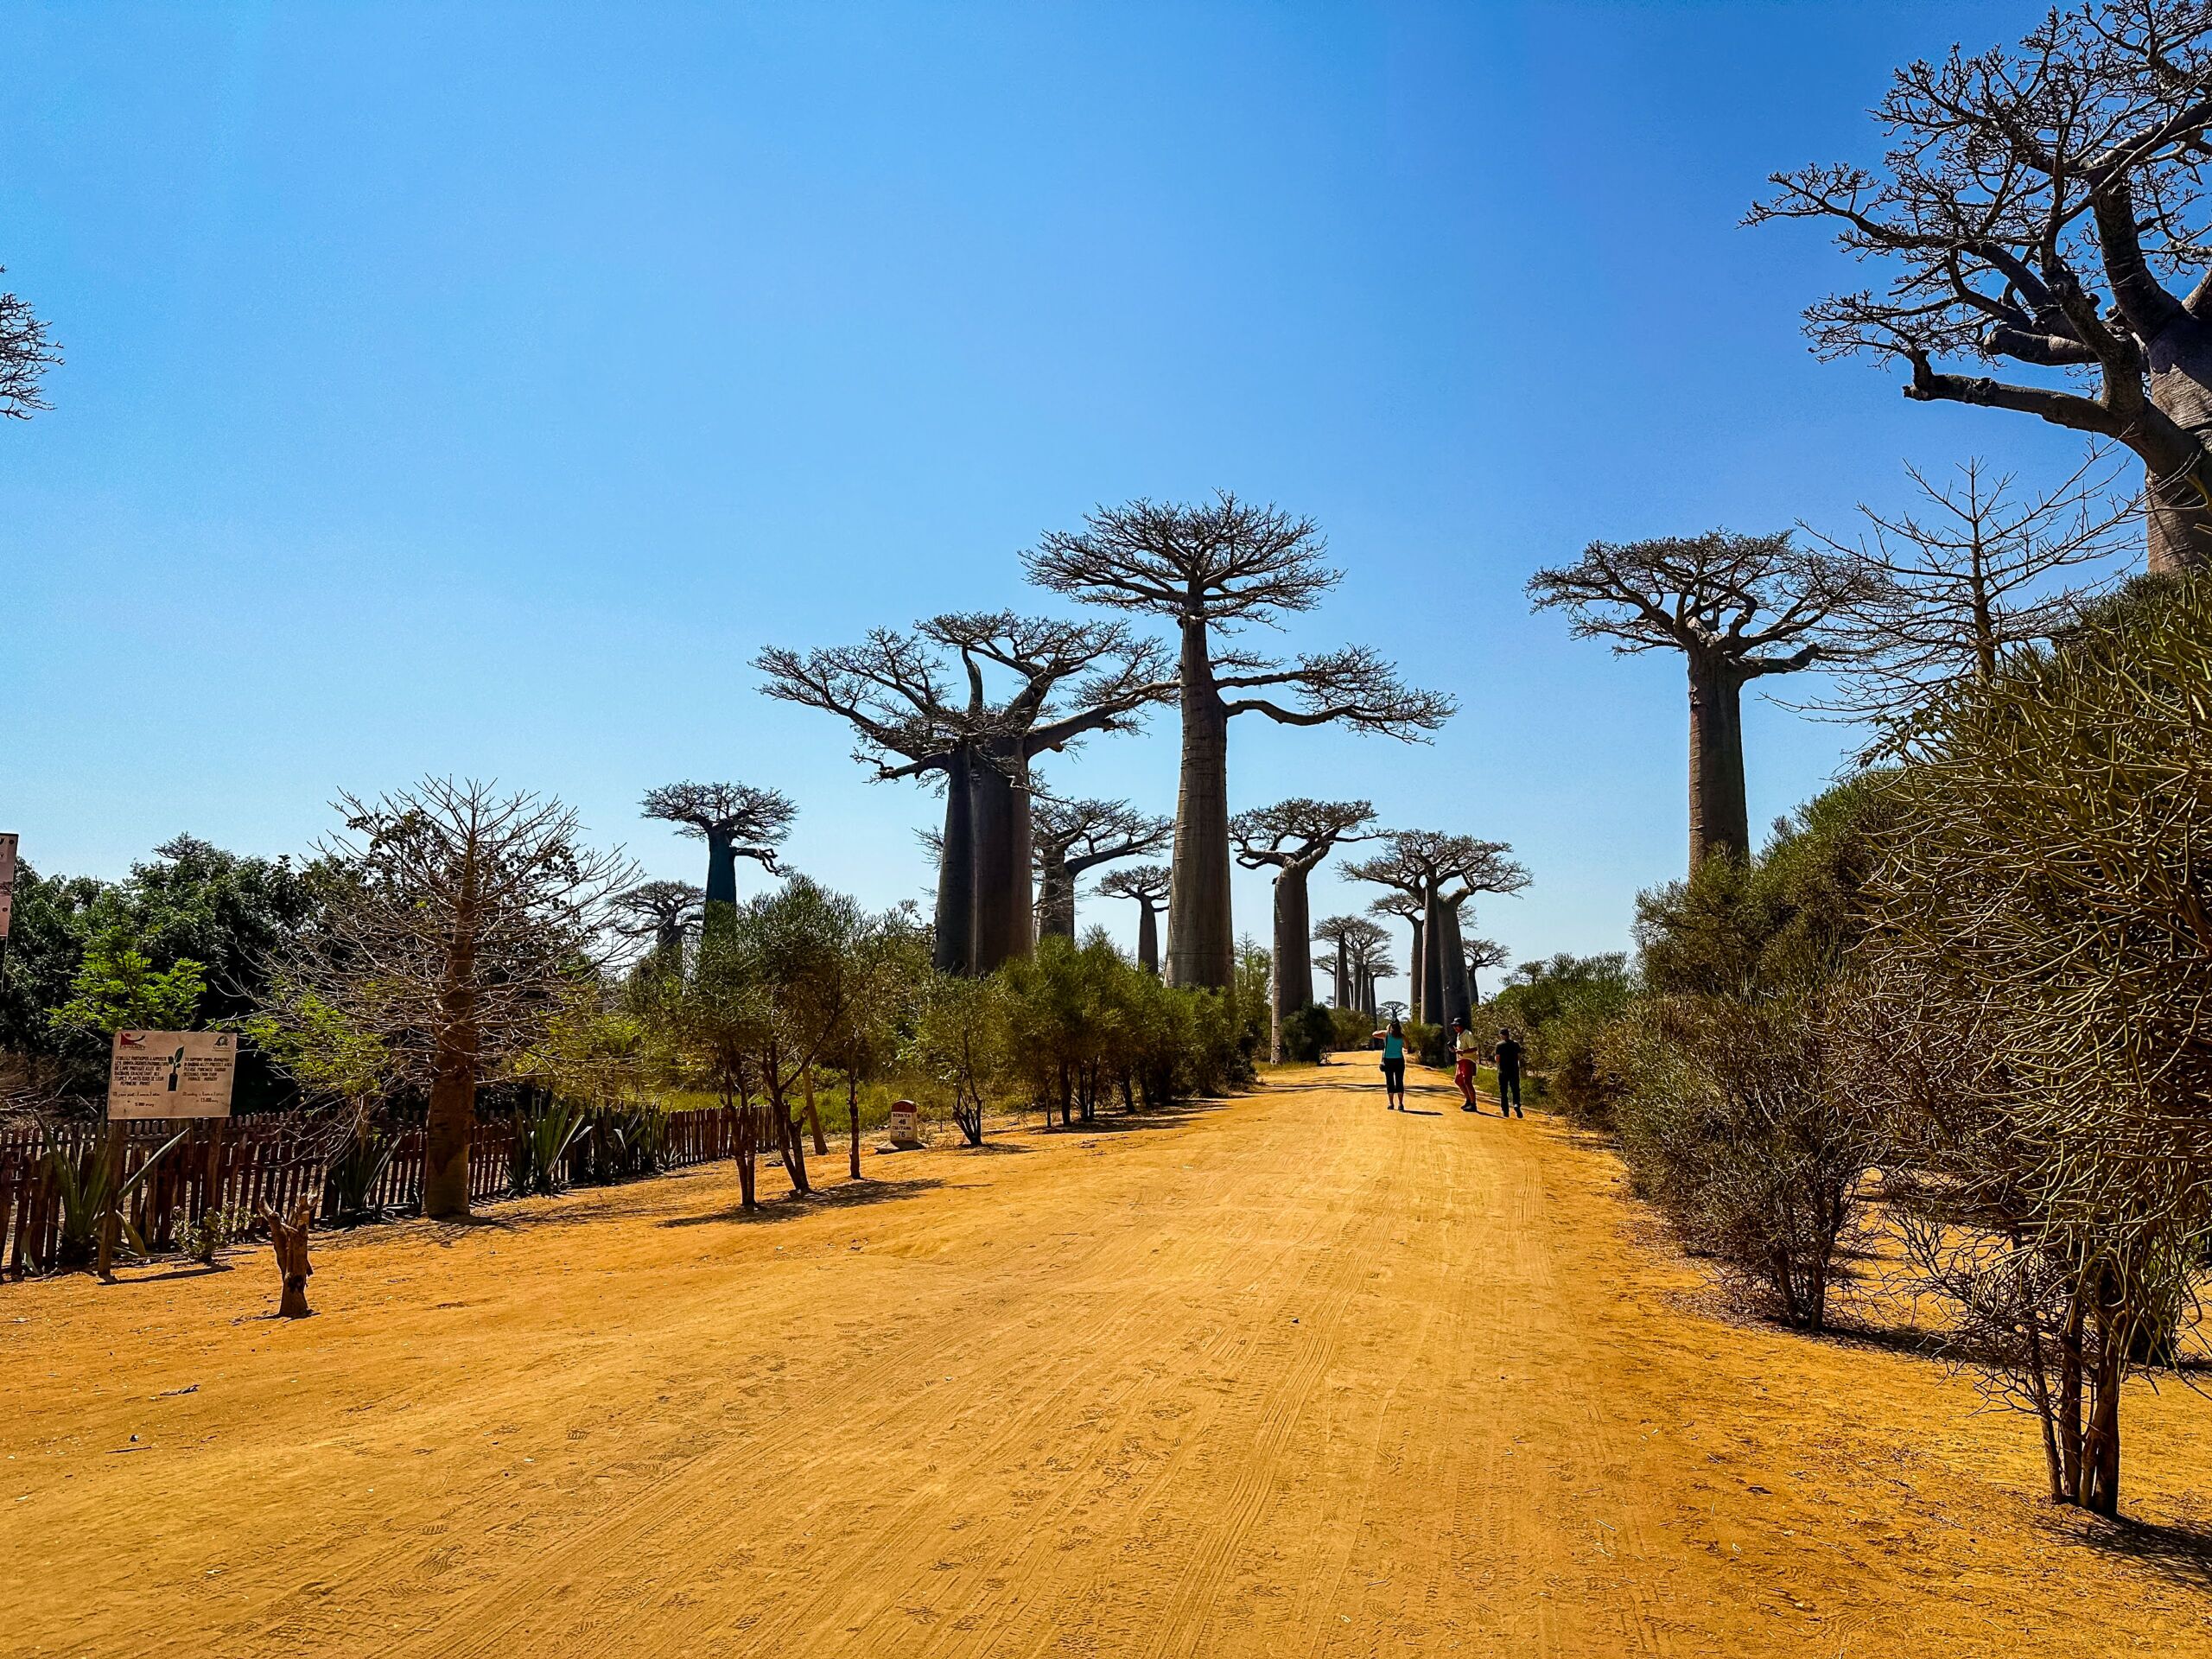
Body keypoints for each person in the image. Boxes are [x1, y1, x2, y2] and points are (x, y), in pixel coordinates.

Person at [1372, 1017, 1409, 1109]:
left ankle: (1391, 1104)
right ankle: (1400, 1104)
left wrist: (1387, 1029)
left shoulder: (1386, 1034)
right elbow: (1406, 1047)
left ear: (1391, 1026)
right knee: (1399, 1082)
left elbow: (1374, 1034)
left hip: (1388, 1061)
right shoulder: (1402, 1036)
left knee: (1390, 1082)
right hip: (1399, 1060)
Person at [1452, 1018, 1482, 1112]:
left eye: (1456, 1026)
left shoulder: (1468, 1034)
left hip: (1468, 1060)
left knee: (1467, 1081)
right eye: (1454, 1026)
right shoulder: (1458, 1035)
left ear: (1461, 1025)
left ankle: (1473, 1104)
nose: (1455, 1028)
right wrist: (1456, 1050)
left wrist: (1463, 1051)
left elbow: (1474, 1048)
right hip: (1460, 1060)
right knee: (1458, 1081)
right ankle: (1468, 1100)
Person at [1494, 1028, 1524, 1118]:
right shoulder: (1516, 1044)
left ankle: (1505, 1111)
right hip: (1514, 1070)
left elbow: (1497, 1058)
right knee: (1515, 1089)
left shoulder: (1499, 1045)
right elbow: (1519, 1057)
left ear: (1501, 1035)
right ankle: (1516, 1104)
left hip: (1503, 1071)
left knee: (1503, 1091)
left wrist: (1498, 1063)